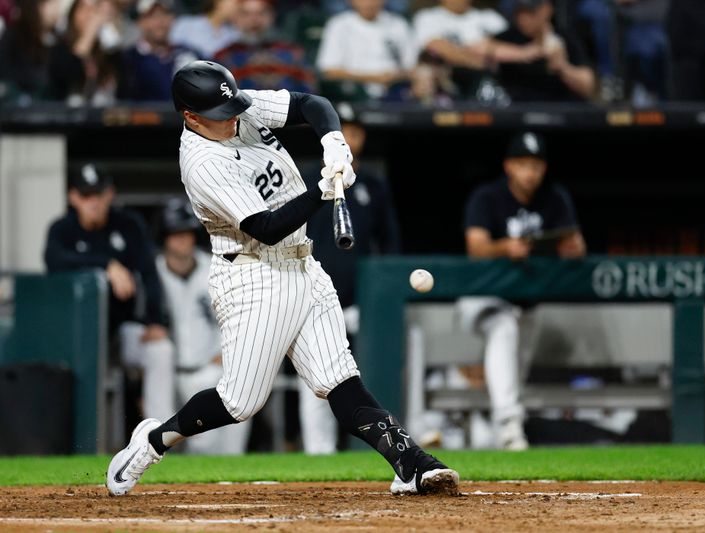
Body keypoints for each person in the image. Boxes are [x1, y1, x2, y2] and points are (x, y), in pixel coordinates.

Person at [105, 60, 458, 496]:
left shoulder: (237, 107)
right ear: (190, 116)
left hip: (304, 265)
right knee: (240, 402)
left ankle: (411, 463)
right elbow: (265, 227)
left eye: (231, 105)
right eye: (218, 114)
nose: (232, 117)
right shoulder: (201, 162)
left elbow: (313, 103)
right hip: (254, 274)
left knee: (339, 379)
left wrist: (333, 144)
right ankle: (155, 440)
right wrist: (321, 189)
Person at [456, 131, 586, 450]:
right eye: (523, 164)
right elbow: (476, 247)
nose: (530, 172)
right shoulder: (488, 196)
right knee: (503, 328)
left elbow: (577, 246)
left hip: (526, 302)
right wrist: (504, 248)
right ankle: (509, 428)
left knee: (514, 370)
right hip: (483, 296)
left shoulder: (554, 197)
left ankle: (497, 431)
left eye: (536, 165)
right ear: (509, 166)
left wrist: (572, 248)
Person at [301, 102, 402, 454]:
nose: (348, 139)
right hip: (313, 300)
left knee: (364, 376)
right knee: (316, 381)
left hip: (361, 305)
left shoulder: (373, 186)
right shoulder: (308, 181)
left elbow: (389, 245)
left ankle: (374, 448)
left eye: (355, 131)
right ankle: (319, 454)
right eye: (341, 131)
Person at [44, 163, 174, 427]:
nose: (93, 202)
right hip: (78, 338)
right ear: (73, 197)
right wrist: (107, 265)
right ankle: (83, 441)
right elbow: (54, 261)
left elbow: (149, 273)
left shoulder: (127, 225)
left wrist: (155, 320)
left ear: (110, 194)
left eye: (98, 195)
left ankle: (161, 437)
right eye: (85, 196)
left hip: (121, 328)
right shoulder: (62, 229)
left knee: (160, 350)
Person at [156, 199, 251, 454]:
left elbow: (238, 313)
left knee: (243, 395)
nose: (182, 240)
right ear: (165, 238)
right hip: (171, 374)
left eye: (186, 234)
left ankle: (233, 469)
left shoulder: (215, 267)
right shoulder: (153, 273)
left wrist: (227, 351)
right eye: (176, 234)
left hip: (210, 368)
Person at [411, 0, 545, 102]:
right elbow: (439, 48)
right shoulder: (429, 17)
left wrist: (487, 50)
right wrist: (486, 57)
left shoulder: (489, 17)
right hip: (452, 86)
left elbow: (514, 46)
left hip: (493, 86)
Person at [493, 0, 596, 102]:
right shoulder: (508, 37)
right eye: (519, 12)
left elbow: (588, 86)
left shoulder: (565, 38)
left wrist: (562, 68)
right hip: (517, 108)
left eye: (530, 12)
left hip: (559, 107)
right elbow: (481, 50)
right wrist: (524, 53)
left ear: (547, 10)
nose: (523, 18)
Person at [316, 0, 416, 102]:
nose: (369, 3)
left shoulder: (398, 24)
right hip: (352, 94)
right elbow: (329, 71)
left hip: (396, 92)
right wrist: (374, 78)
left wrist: (394, 77)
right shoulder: (339, 24)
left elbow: (412, 67)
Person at [212, 0, 317, 93]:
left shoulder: (294, 53)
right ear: (236, 18)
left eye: (261, 13)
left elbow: (309, 92)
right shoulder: (223, 57)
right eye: (246, 14)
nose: (254, 20)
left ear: (272, 16)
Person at [118, 0, 199, 102]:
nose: (160, 22)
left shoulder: (187, 54)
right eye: (153, 16)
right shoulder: (129, 59)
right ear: (140, 22)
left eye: (165, 14)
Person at [169, 0, 240, 58]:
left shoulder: (234, 35)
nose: (236, 8)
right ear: (218, 3)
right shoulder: (185, 25)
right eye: (234, 3)